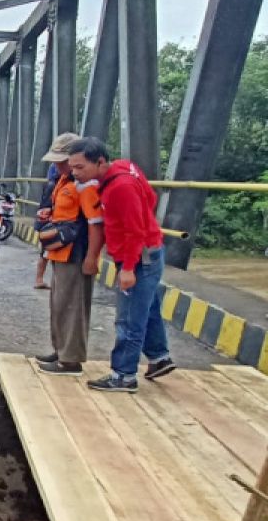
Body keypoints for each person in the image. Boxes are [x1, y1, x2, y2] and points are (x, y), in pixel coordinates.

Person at [67, 137, 175, 392]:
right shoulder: (126, 168)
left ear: (100, 162)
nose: (75, 173)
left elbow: (135, 231)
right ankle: (159, 357)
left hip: (138, 257)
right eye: (72, 167)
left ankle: (123, 375)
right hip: (149, 249)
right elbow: (150, 198)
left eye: (80, 167)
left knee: (128, 318)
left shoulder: (119, 187)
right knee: (147, 310)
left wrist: (127, 268)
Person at [32, 133, 103, 376]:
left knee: (72, 307)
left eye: (63, 161)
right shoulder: (64, 181)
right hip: (60, 253)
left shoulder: (85, 185)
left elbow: (95, 224)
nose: (58, 165)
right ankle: (61, 350)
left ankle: (70, 360)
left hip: (76, 254)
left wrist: (91, 258)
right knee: (59, 305)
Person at [33, 162, 59, 290]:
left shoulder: (49, 184)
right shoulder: (55, 186)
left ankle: (39, 279)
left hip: (43, 222)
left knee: (44, 253)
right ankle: (39, 279)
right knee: (46, 253)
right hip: (48, 223)